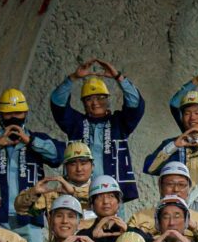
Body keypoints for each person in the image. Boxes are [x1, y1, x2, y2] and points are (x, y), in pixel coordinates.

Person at [0, 88, 66, 242]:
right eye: (8, 114)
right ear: (0, 116)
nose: (13, 118)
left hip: (30, 218)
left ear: (25, 114)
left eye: (18, 113)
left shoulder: (37, 140)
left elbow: (58, 155)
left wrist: (31, 141)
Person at [50, 60, 145, 199]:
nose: (95, 103)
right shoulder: (76, 123)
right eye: (89, 99)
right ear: (83, 103)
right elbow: (57, 103)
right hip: (79, 193)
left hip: (112, 195)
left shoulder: (119, 122)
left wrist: (118, 77)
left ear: (108, 99)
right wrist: (73, 78)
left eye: (100, 97)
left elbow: (136, 104)